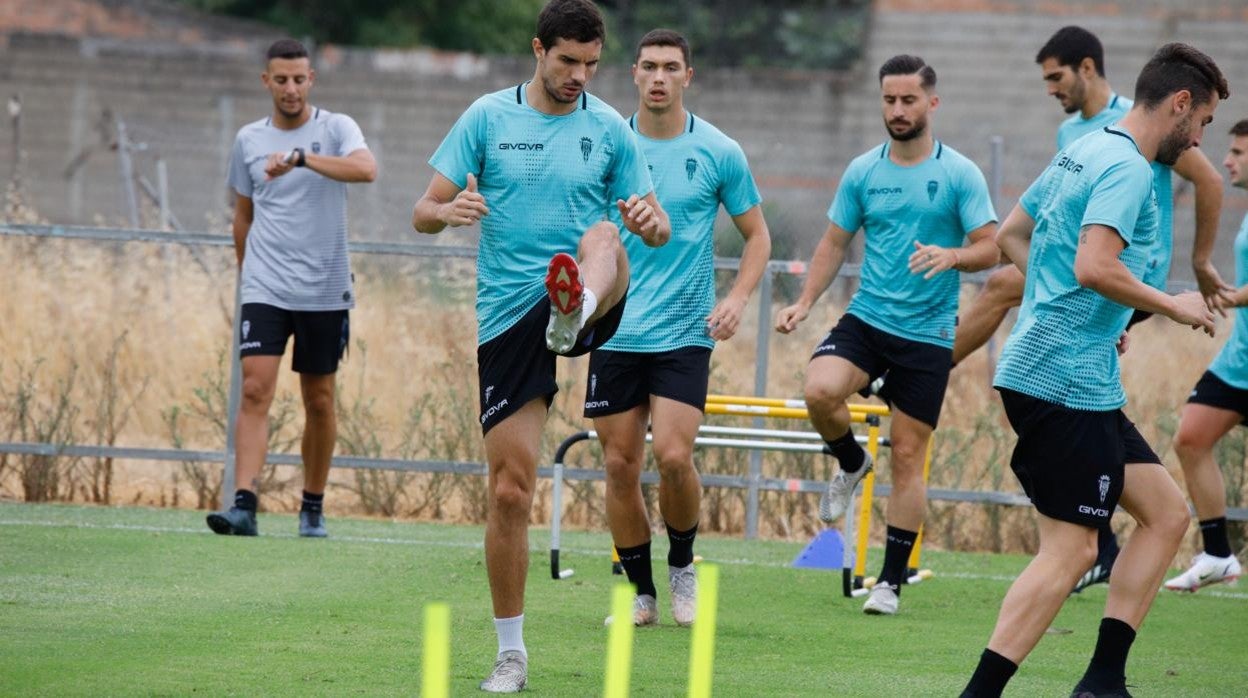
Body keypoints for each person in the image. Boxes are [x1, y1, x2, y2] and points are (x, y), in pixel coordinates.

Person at [411, 0, 669, 692]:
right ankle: (511, 653)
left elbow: (655, 227)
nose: (580, 75)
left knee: (604, 237)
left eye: (591, 63)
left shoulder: (611, 129)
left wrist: (650, 220)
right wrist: (449, 211)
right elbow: (422, 211)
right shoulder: (488, 117)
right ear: (537, 50)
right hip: (510, 315)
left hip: (591, 291)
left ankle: (576, 309)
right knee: (509, 492)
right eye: (567, 62)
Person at [960, 43, 1225, 698]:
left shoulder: (1086, 148)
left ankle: (1102, 680)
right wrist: (1173, 304)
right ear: (1181, 104)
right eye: (1204, 123)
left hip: (1070, 372)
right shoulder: (1129, 168)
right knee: (1074, 551)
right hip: (1060, 381)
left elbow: (1013, 237)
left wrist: (1080, 317)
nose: (1200, 140)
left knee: (1165, 515)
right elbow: (1094, 267)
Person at [775, 55, 999, 616]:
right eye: (888, 100)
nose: (897, 110)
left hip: (927, 335)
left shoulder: (959, 174)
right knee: (819, 391)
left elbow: (991, 246)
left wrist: (953, 255)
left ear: (931, 103)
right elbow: (832, 243)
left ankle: (890, 582)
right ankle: (851, 462)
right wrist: (804, 302)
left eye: (908, 100)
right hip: (868, 320)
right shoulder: (863, 171)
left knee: (908, 455)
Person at [588, 29, 771, 628]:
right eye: (649, 67)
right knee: (618, 464)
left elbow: (758, 236)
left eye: (671, 67)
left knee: (671, 455)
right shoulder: (606, 146)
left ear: (688, 75)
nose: (659, 77)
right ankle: (640, 593)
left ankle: (683, 566)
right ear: (634, 75)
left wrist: (739, 298)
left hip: (685, 330)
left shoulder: (719, 151)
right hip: (613, 328)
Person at [206, 39, 377, 539]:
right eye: (281, 79)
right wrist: (247, 279)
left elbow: (366, 169)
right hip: (265, 285)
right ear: (267, 82)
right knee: (255, 388)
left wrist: (303, 158)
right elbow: (242, 217)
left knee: (319, 399)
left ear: (311, 80)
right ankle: (243, 505)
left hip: (324, 287)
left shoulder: (336, 128)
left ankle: (313, 505)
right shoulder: (248, 141)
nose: (291, 88)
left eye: (299, 78)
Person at [1165, 119, 1248, 592]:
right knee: (1191, 438)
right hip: (1239, 360)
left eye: (1238, 151)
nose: (1227, 159)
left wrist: (1228, 298)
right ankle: (1218, 554)